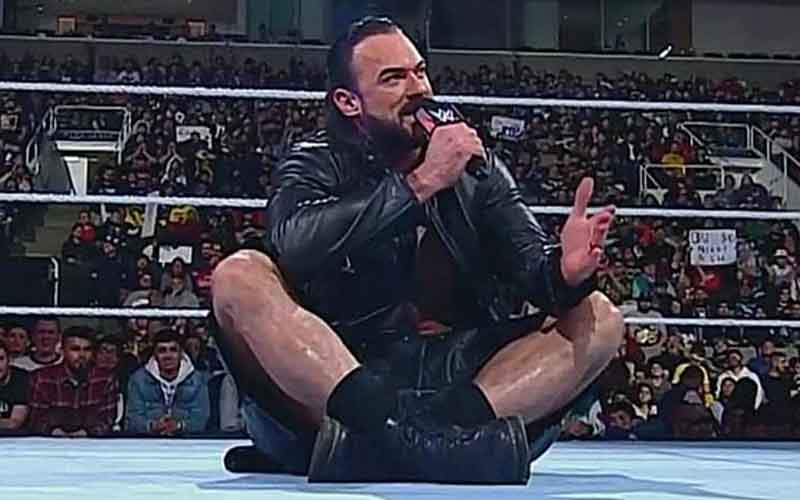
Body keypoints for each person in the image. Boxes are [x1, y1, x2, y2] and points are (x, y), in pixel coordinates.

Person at [211, 16, 623, 484]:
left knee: (601, 316)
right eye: (393, 78)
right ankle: (413, 439)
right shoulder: (316, 159)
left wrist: (566, 272)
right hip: (344, 371)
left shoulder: (477, 168)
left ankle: (406, 441)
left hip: (460, 381)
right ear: (348, 102)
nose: (418, 89)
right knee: (239, 274)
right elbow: (294, 246)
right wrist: (421, 183)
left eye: (420, 71)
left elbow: (534, 273)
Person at [27, 326, 118, 437]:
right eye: (75, 349)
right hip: (50, 441)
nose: (82, 355)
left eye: (87, 349)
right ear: (62, 351)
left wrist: (86, 433)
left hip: (91, 442)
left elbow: (106, 419)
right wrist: (54, 432)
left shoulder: (106, 379)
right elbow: (36, 419)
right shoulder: (41, 378)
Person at [125, 329, 209, 436]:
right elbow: (132, 419)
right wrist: (153, 426)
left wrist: (179, 426)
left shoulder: (198, 380)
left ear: (181, 353)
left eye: (173, 350)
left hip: (187, 440)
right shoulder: (138, 380)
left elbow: (201, 419)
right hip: (148, 440)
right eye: (162, 350)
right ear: (155, 354)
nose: (168, 356)